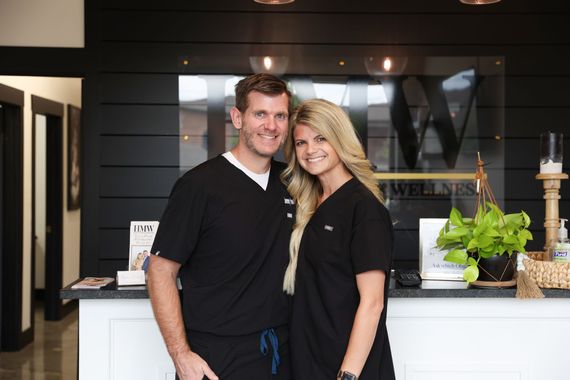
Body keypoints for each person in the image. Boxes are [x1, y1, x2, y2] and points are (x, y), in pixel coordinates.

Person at [147, 74, 294, 380]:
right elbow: (160, 271)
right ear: (237, 118)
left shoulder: (291, 183)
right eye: (260, 114)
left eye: (280, 115)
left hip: (282, 352)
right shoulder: (199, 186)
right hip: (216, 358)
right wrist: (181, 355)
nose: (271, 125)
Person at [282, 99, 395, 380]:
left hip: (346, 366)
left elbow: (373, 303)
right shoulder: (309, 202)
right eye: (301, 143)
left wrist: (348, 375)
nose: (310, 150)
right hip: (308, 358)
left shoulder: (363, 208)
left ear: (339, 138)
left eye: (321, 138)